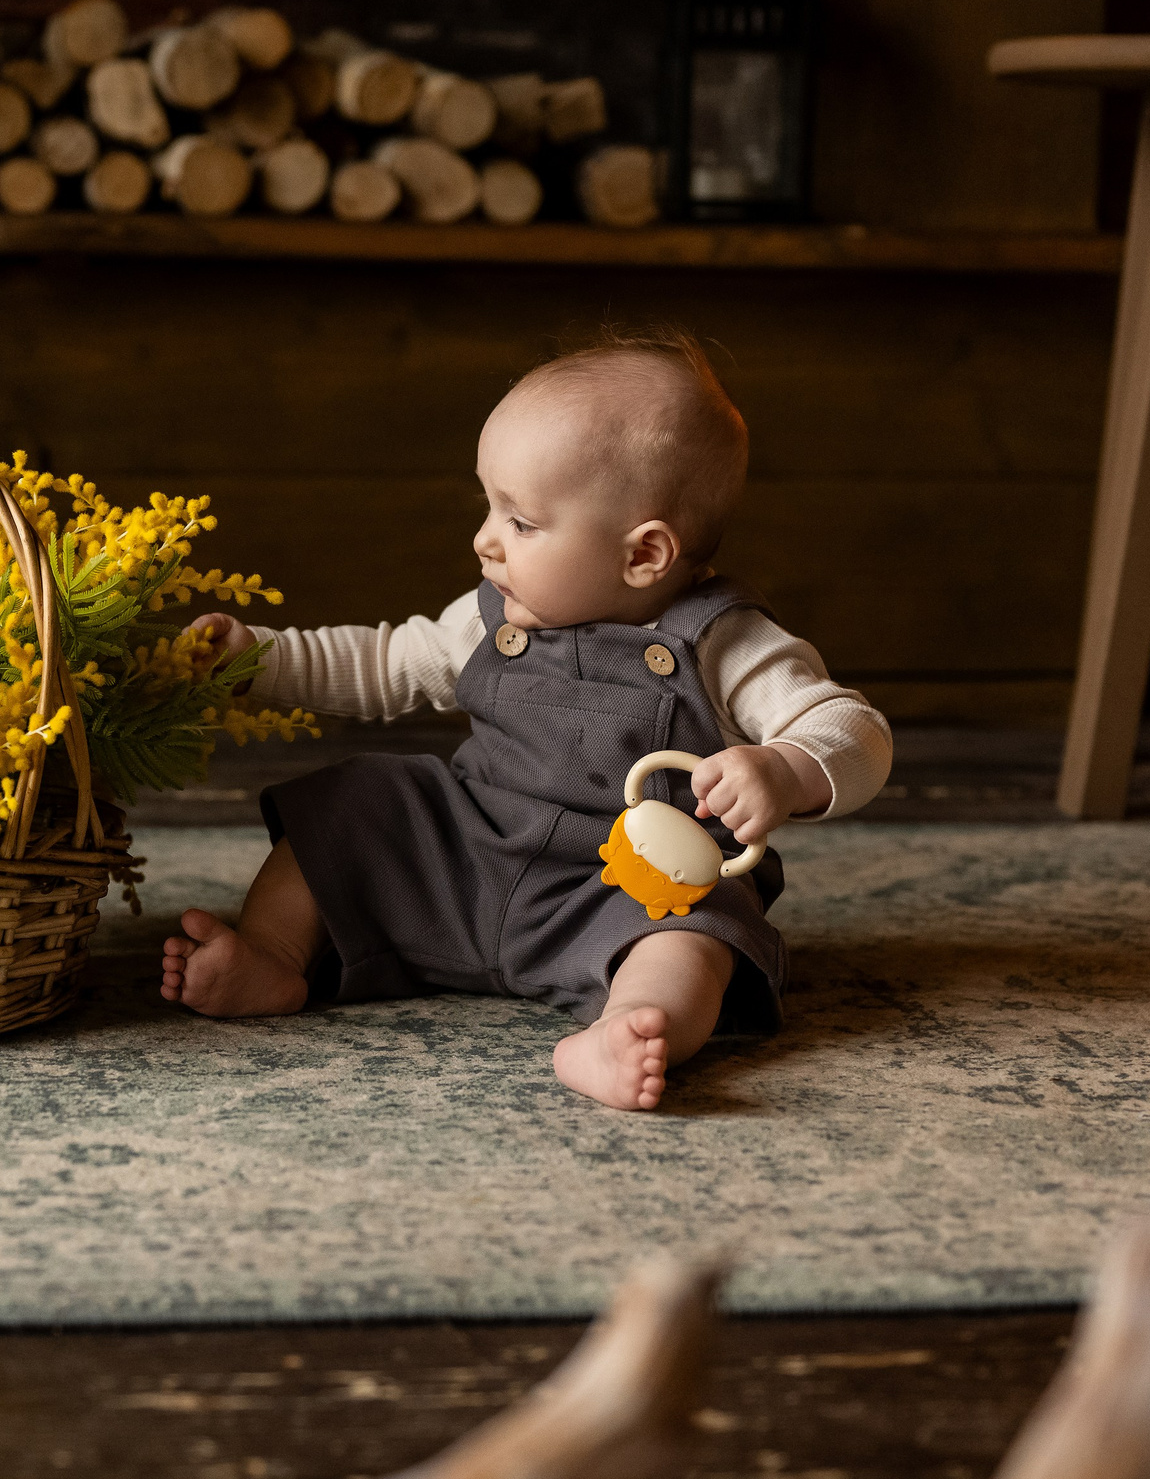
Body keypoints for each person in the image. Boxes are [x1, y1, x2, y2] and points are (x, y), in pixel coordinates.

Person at [159, 330, 893, 1110]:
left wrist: (784, 767)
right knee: (357, 801)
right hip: (473, 850)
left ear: (644, 554)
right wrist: (258, 659)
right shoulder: (492, 618)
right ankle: (273, 953)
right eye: (489, 505)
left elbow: (856, 731)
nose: (484, 539)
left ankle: (629, 1029)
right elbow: (382, 664)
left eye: (522, 521)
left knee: (699, 934)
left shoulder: (727, 641)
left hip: (622, 891)